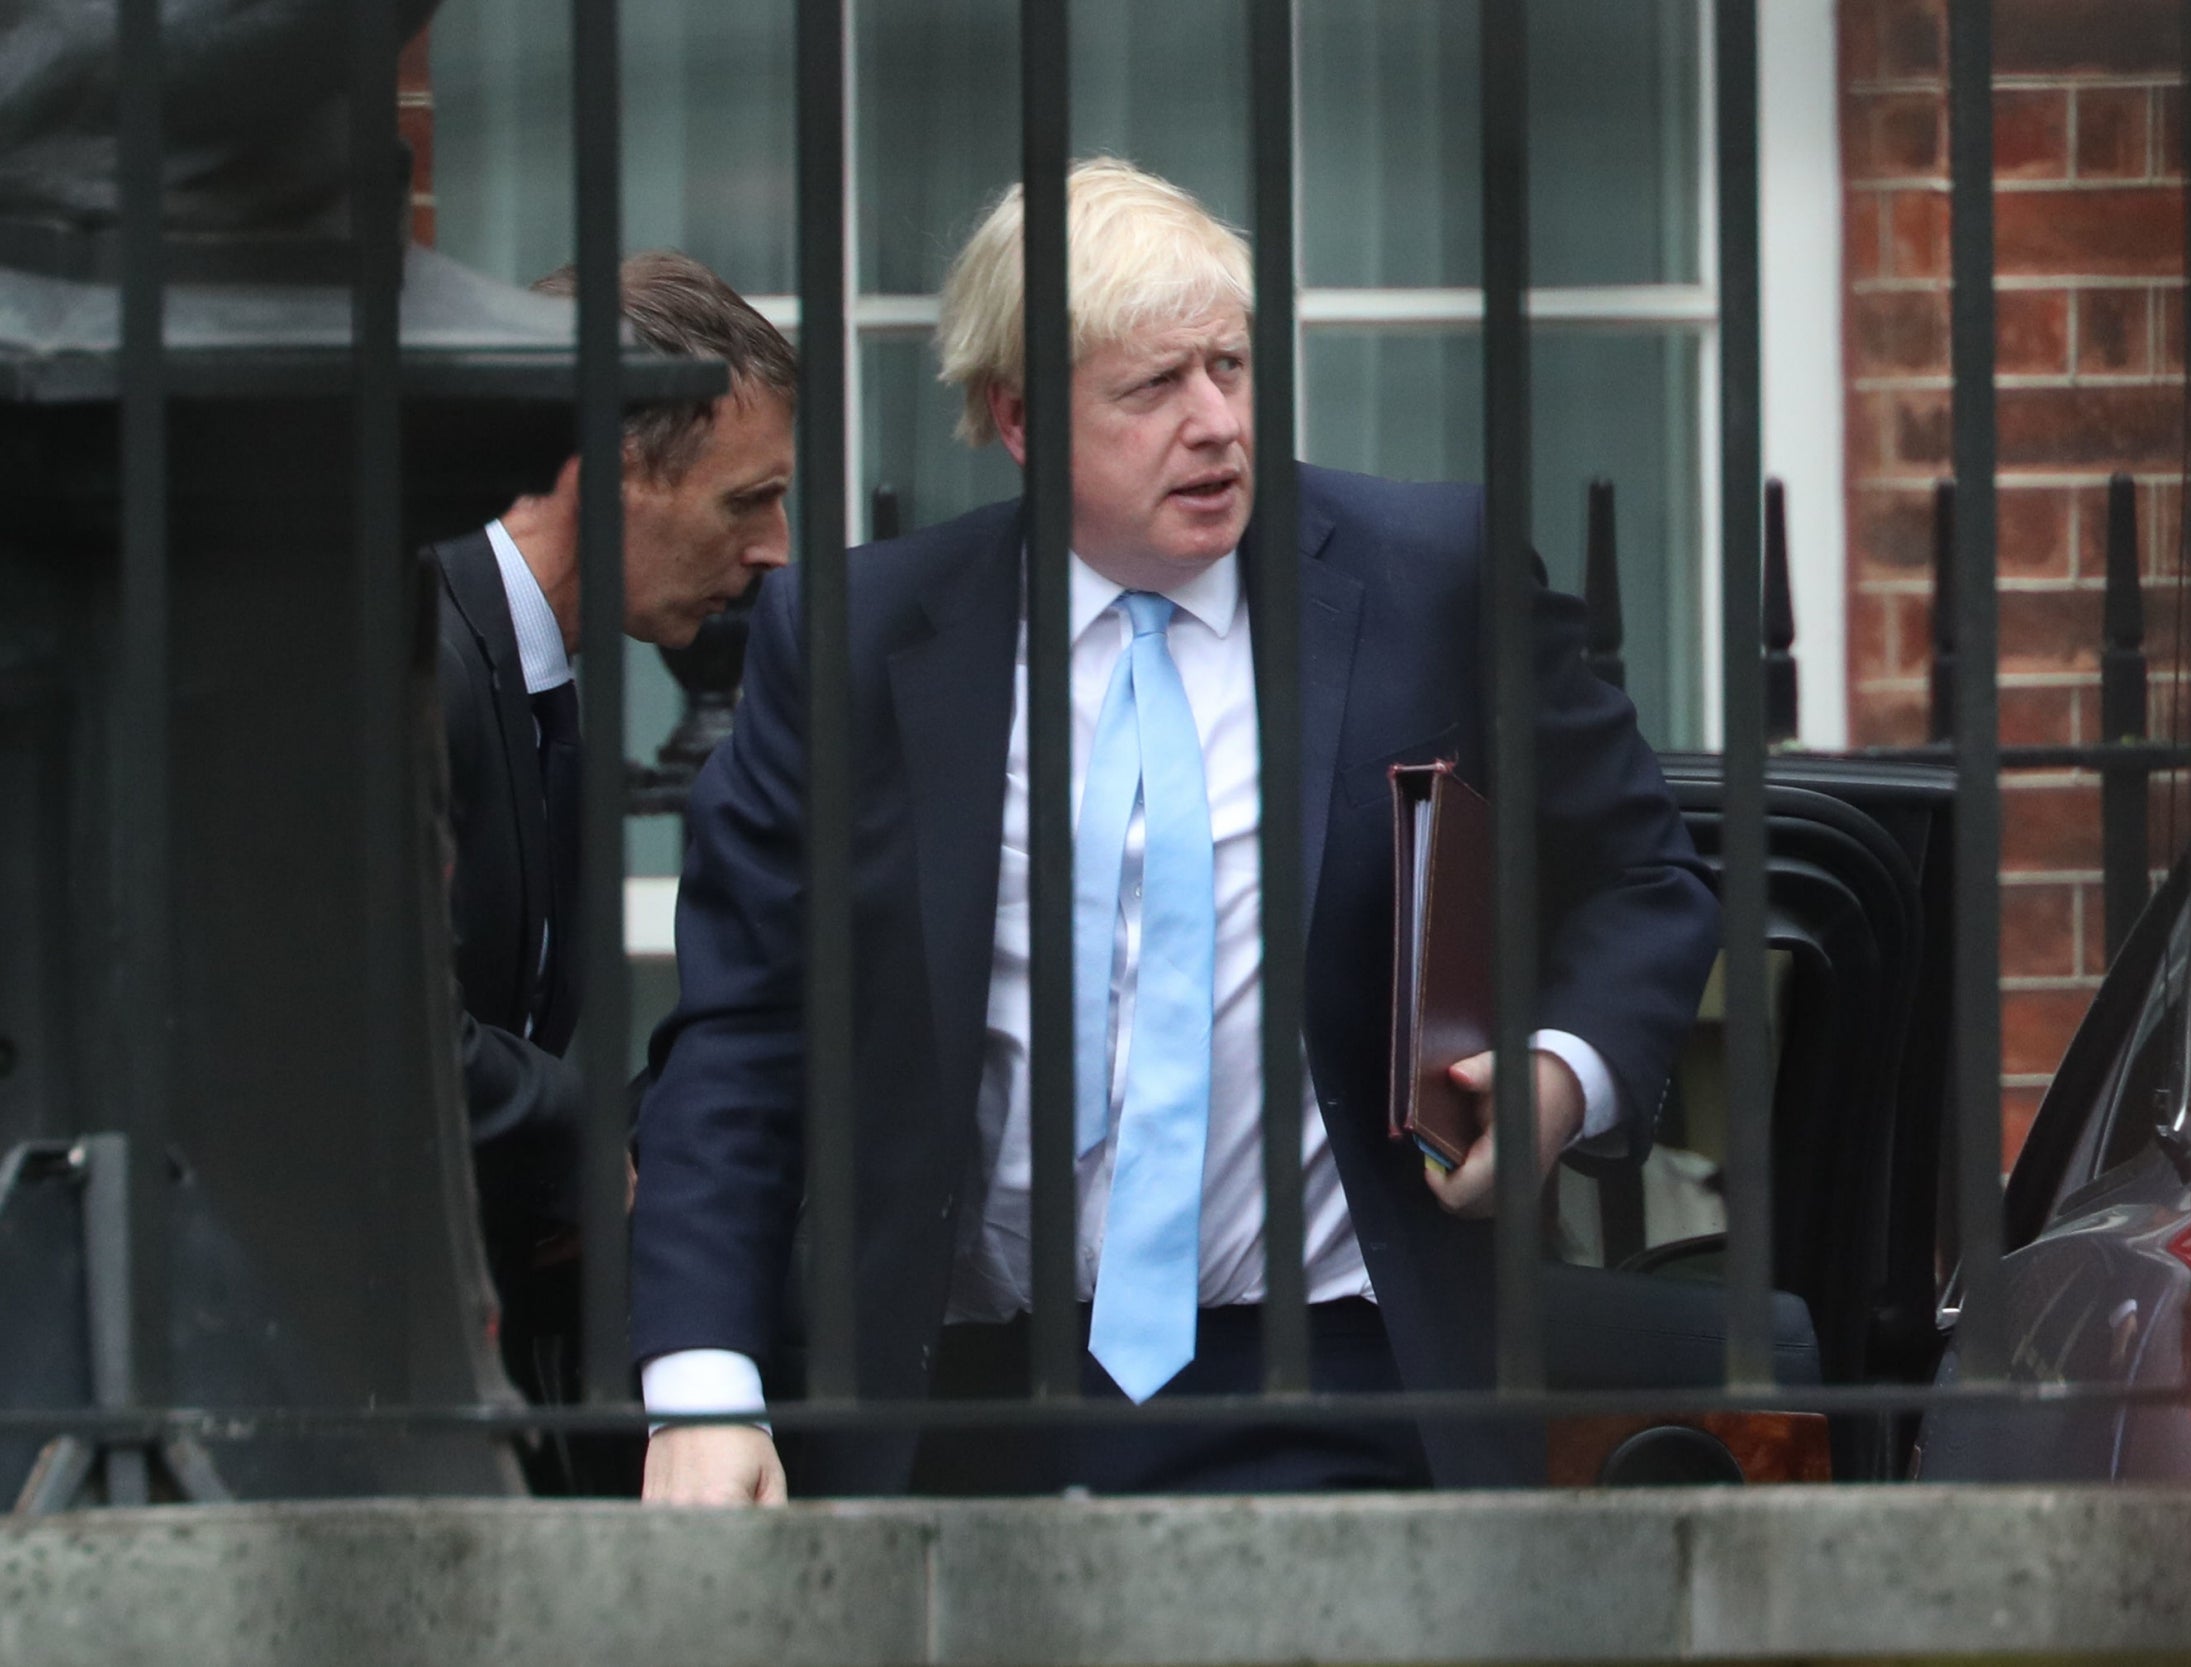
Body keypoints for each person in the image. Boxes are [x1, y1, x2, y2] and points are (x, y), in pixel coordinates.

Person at [631, 160, 1720, 1505]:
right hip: (970, 1391)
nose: (1215, 423)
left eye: (1232, 366)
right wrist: (700, 1379)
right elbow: (744, 1024)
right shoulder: (859, 639)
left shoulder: (1431, 577)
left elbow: (1640, 875)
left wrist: (1560, 1069)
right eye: (1154, 387)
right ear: (1020, 418)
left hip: (1350, 1368)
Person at [431, 249, 796, 1475]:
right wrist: (607, 1147)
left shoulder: (539, 673)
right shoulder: (411, 649)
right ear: (605, 470)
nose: (778, 548)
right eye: (749, 499)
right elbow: (373, 1025)